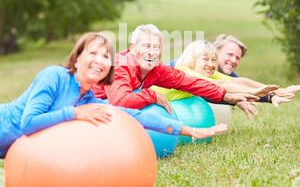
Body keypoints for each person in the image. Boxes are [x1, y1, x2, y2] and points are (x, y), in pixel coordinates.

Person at [0, 32, 228, 159]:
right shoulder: (54, 77)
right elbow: (27, 123)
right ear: (77, 58)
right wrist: (75, 113)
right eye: (93, 54)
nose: (99, 60)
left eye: (105, 56)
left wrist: (189, 130)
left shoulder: (87, 98)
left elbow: (135, 116)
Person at [92, 24, 259, 114]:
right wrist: (153, 95)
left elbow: (188, 82)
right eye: (146, 46)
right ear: (133, 48)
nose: (152, 52)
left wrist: (225, 96)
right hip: (83, 104)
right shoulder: (121, 66)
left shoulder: (156, 69)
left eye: (156, 47)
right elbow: (120, 102)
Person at [152, 40, 283, 119]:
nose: (210, 64)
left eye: (213, 60)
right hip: (149, 107)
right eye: (205, 59)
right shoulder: (186, 72)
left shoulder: (206, 71)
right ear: (192, 60)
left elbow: (236, 81)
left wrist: (276, 92)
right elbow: (220, 84)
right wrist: (253, 92)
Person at [213, 34, 300, 107]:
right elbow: (223, 86)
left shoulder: (224, 73)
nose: (233, 60)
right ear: (216, 52)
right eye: (229, 54)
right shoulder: (204, 69)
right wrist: (238, 99)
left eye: (237, 58)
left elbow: (241, 83)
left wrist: (271, 97)